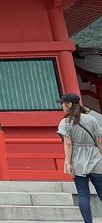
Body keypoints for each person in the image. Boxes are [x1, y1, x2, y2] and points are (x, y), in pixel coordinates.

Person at [57, 93, 102, 223]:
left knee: (83, 194)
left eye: (62, 103)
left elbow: (68, 143)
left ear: (69, 104)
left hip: (78, 161)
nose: (61, 106)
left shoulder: (65, 122)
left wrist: (67, 162)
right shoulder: (91, 119)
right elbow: (99, 141)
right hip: (95, 159)